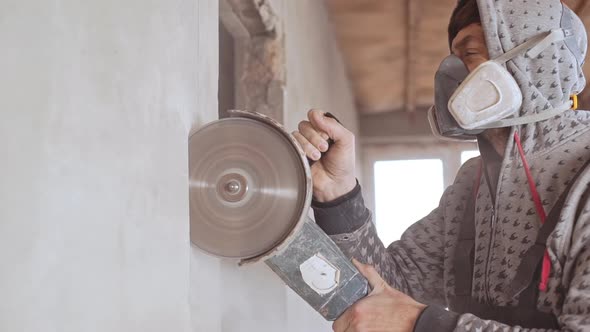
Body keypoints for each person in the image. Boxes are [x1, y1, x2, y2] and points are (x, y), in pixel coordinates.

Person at [292, 0, 590, 331]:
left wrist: (421, 324)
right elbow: (389, 287)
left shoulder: (584, 176)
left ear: (536, 62)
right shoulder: (471, 187)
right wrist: (337, 191)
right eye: (453, 55)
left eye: (470, 53)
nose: (451, 72)